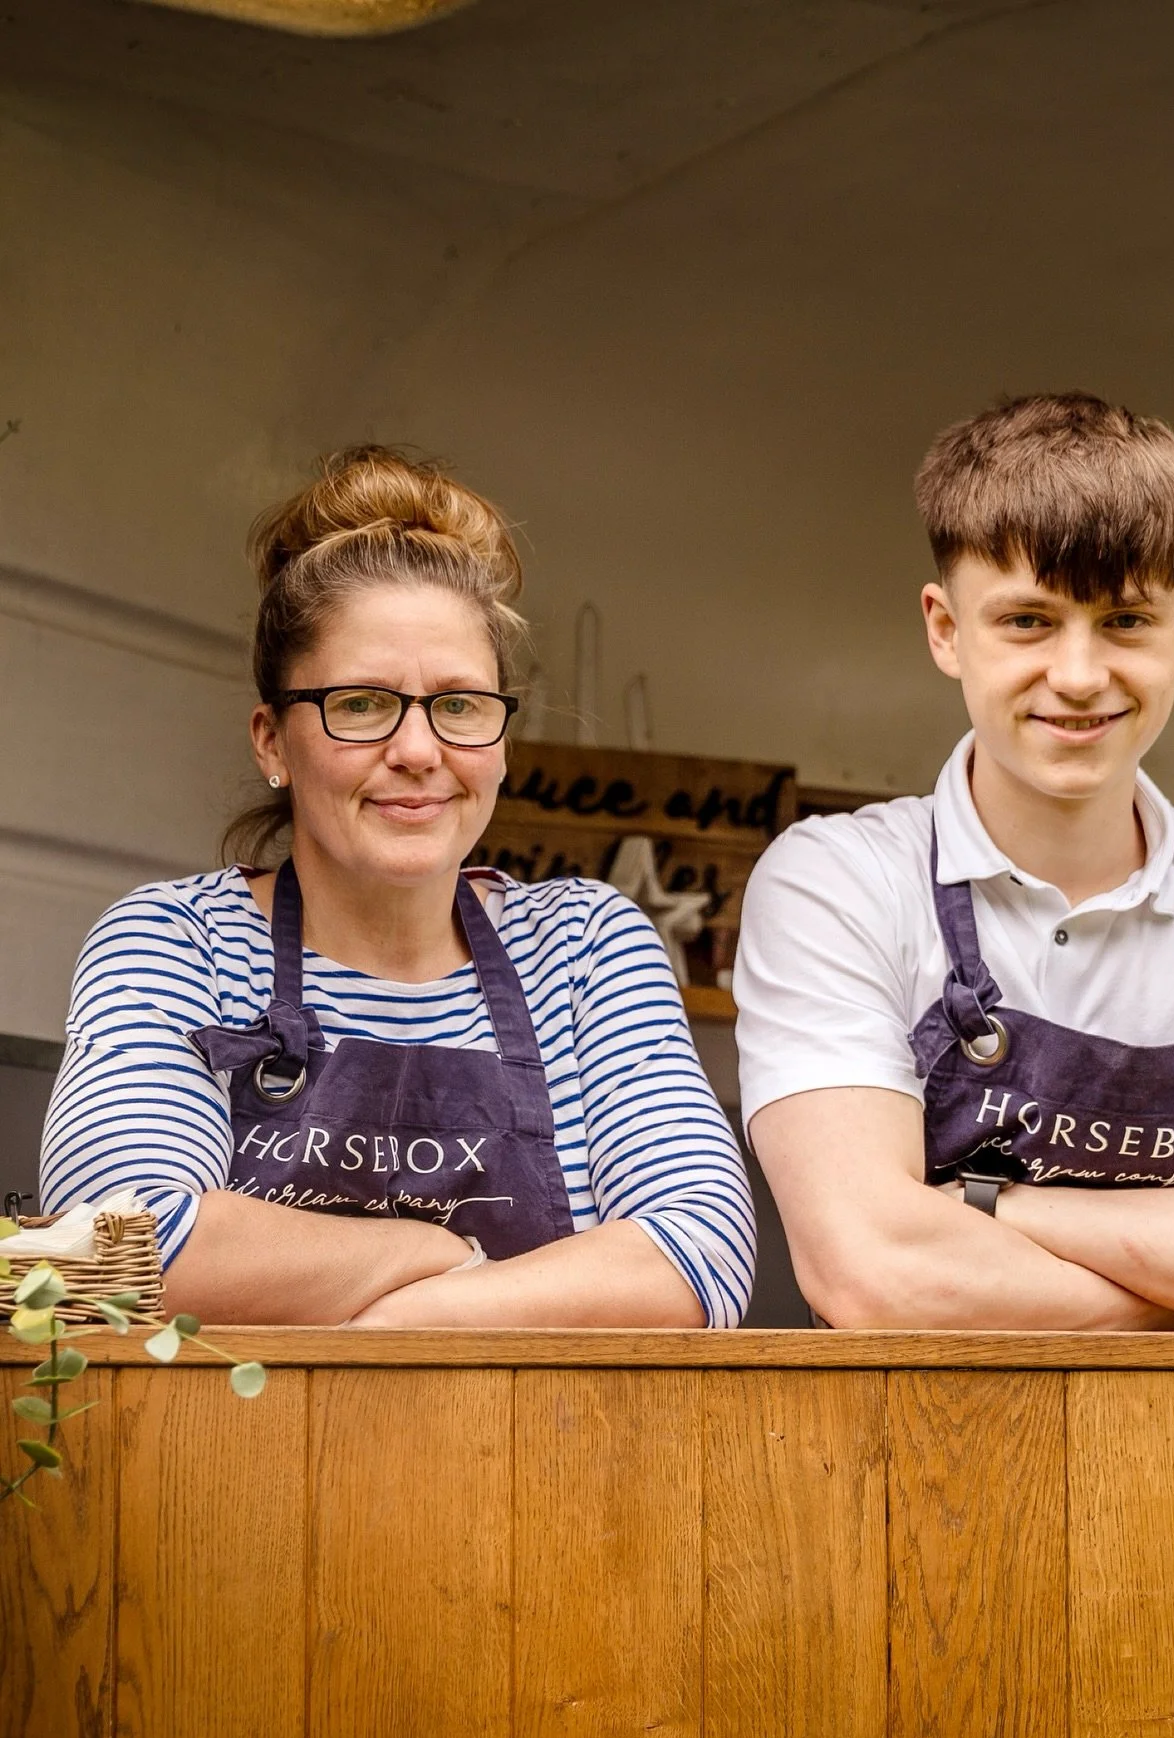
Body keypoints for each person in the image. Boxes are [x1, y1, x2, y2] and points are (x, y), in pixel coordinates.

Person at [40, 447, 754, 1328]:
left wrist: (399, 1325)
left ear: (499, 740)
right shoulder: (175, 941)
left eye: (458, 705)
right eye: (364, 702)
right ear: (272, 741)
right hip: (231, 1463)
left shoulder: (586, 944)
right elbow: (121, 1251)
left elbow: (699, 1257)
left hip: (543, 1462)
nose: (419, 751)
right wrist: (431, 1252)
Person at [735, 392, 1174, 1331]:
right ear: (944, 629)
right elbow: (874, 1275)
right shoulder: (835, 880)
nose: (1080, 676)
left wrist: (985, 1204)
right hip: (911, 1462)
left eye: (1125, 621)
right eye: (1028, 622)